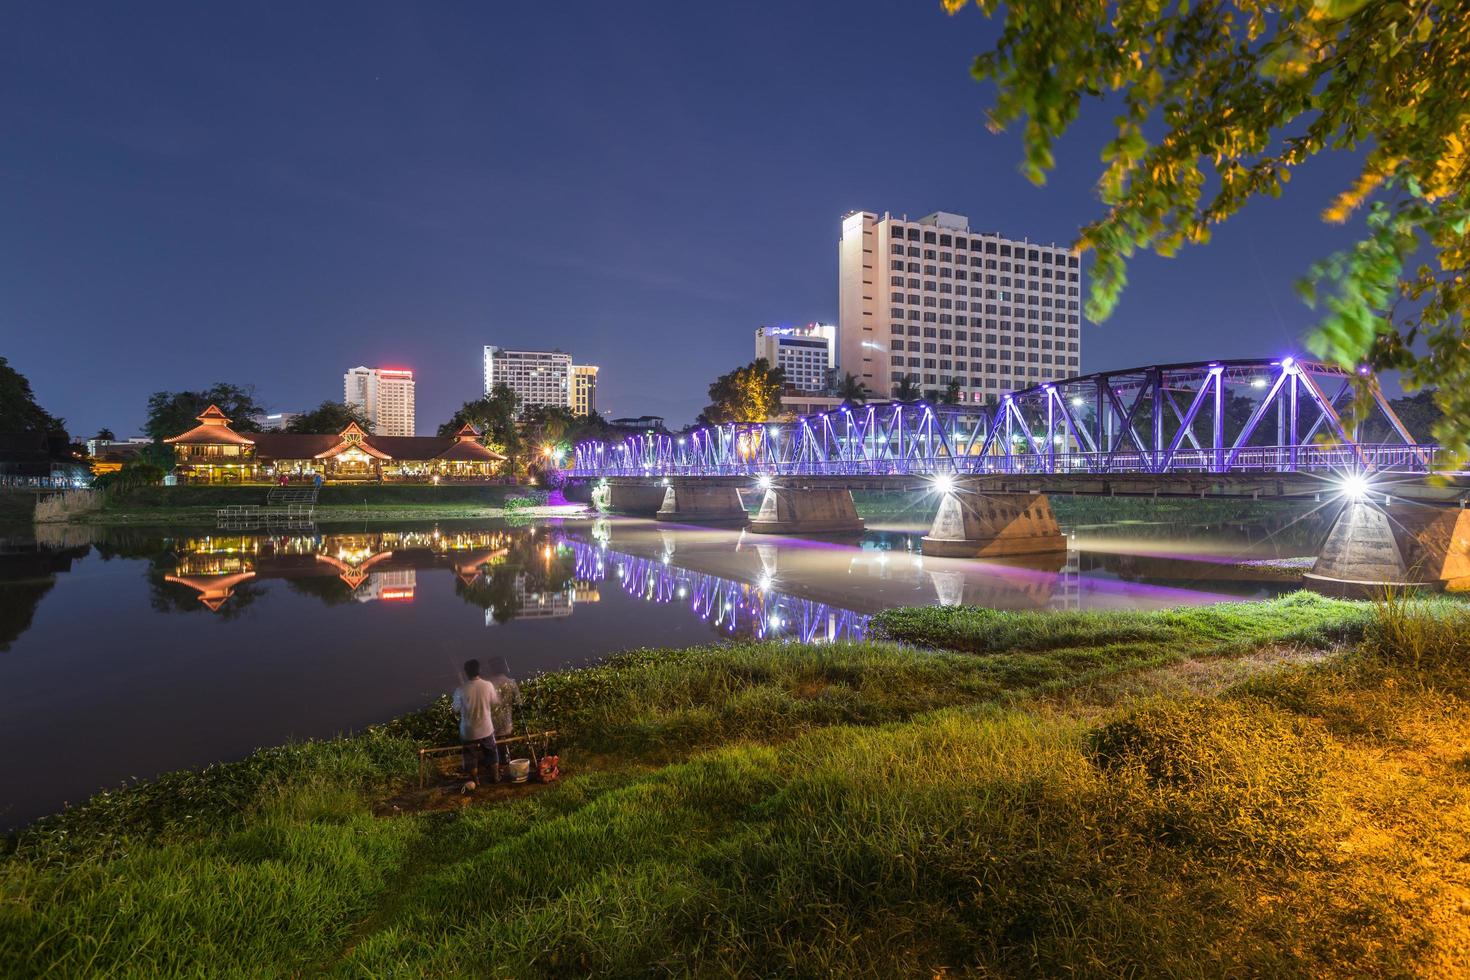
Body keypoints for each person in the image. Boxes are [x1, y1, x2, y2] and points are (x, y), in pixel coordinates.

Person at [452, 659, 500, 787]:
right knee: (491, 752)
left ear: (466, 673)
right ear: (479, 670)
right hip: (486, 728)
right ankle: (495, 777)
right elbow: (495, 701)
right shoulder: (488, 685)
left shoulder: (460, 689)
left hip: (468, 731)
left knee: (470, 757)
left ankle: (476, 781)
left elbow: (455, 709)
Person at [484, 655, 521, 765]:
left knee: (494, 747)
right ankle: (507, 763)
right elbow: (519, 702)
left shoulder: (487, 684)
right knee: (505, 745)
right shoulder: (511, 682)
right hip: (506, 722)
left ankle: (499, 766)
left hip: (491, 723)